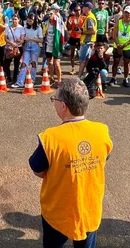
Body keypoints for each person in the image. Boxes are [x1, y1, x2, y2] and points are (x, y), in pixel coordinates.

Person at [29, 78, 113, 247]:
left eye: (55, 99)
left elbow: (38, 169)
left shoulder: (50, 137)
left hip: (58, 212)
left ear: (63, 106)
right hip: (90, 208)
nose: (54, 103)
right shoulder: (102, 131)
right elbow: (104, 157)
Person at [109, 8, 130, 88]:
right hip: (117, 45)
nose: (127, 15)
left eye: (128, 13)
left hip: (128, 47)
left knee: (126, 63)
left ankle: (125, 79)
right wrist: (118, 44)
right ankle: (113, 78)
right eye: (125, 13)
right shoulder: (118, 22)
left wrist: (124, 45)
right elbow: (114, 35)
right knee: (115, 62)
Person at [14, 13, 43, 88]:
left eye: (31, 20)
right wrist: (20, 40)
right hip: (26, 47)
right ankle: (20, 82)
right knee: (24, 63)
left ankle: (32, 80)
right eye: (28, 20)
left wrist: (30, 39)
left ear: (34, 20)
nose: (29, 22)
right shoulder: (25, 27)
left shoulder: (38, 28)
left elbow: (41, 40)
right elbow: (23, 37)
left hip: (35, 47)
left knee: (33, 63)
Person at [44, 4, 66, 87]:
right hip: (48, 44)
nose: (50, 16)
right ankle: (52, 78)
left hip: (56, 45)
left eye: (51, 14)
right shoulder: (45, 23)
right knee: (49, 62)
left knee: (56, 63)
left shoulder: (58, 22)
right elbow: (43, 32)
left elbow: (64, 31)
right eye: (49, 14)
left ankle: (59, 80)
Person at [3, 15, 24, 84]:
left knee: (16, 64)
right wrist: (11, 43)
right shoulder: (8, 28)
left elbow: (22, 39)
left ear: (19, 20)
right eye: (13, 19)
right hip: (9, 48)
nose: (14, 21)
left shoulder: (21, 28)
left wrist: (16, 44)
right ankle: (8, 78)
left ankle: (15, 78)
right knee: (6, 63)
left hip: (18, 48)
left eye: (15, 19)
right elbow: (5, 38)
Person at [77, 2, 97, 77]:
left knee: (82, 60)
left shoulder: (89, 18)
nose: (82, 9)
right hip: (88, 41)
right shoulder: (89, 16)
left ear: (87, 8)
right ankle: (85, 74)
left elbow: (92, 31)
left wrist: (82, 32)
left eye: (83, 7)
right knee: (86, 59)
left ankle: (79, 76)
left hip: (86, 42)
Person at [66, 5, 84, 75]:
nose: (78, 11)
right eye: (76, 10)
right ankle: (73, 68)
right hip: (73, 37)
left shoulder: (84, 18)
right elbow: (69, 28)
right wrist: (69, 24)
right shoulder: (71, 18)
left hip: (81, 37)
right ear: (74, 11)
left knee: (81, 54)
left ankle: (81, 69)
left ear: (81, 10)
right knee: (72, 54)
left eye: (79, 10)